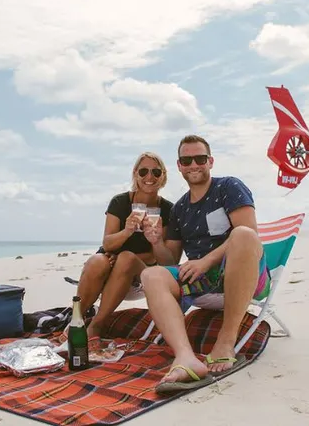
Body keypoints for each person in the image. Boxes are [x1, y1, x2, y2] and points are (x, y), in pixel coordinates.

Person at [140, 134, 264, 389]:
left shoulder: (229, 187)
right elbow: (170, 260)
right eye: (187, 160)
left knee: (242, 234)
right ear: (179, 166)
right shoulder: (179, 208)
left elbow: (250, 233)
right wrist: (156, 242)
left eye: (200, 158)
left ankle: (226, 340)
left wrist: (205, 261)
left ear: (210, 161)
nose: (193, 164)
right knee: (151, 275)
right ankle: (185, 355)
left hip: (242, 273)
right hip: (202, 281)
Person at [74, 151, 174, 337]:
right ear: (135, 174)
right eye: (143, 171)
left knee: (127, 258)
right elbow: (107, 242)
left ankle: (97, 324)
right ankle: (75, 321)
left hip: (140, 276)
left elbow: (163, 259)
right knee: (97, 261)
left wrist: (156, 241)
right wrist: (127, 231)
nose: (149, 177)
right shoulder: (120, 202)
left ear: (163, 176)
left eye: (156, 172)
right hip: (108, 268)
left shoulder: (168, 209)